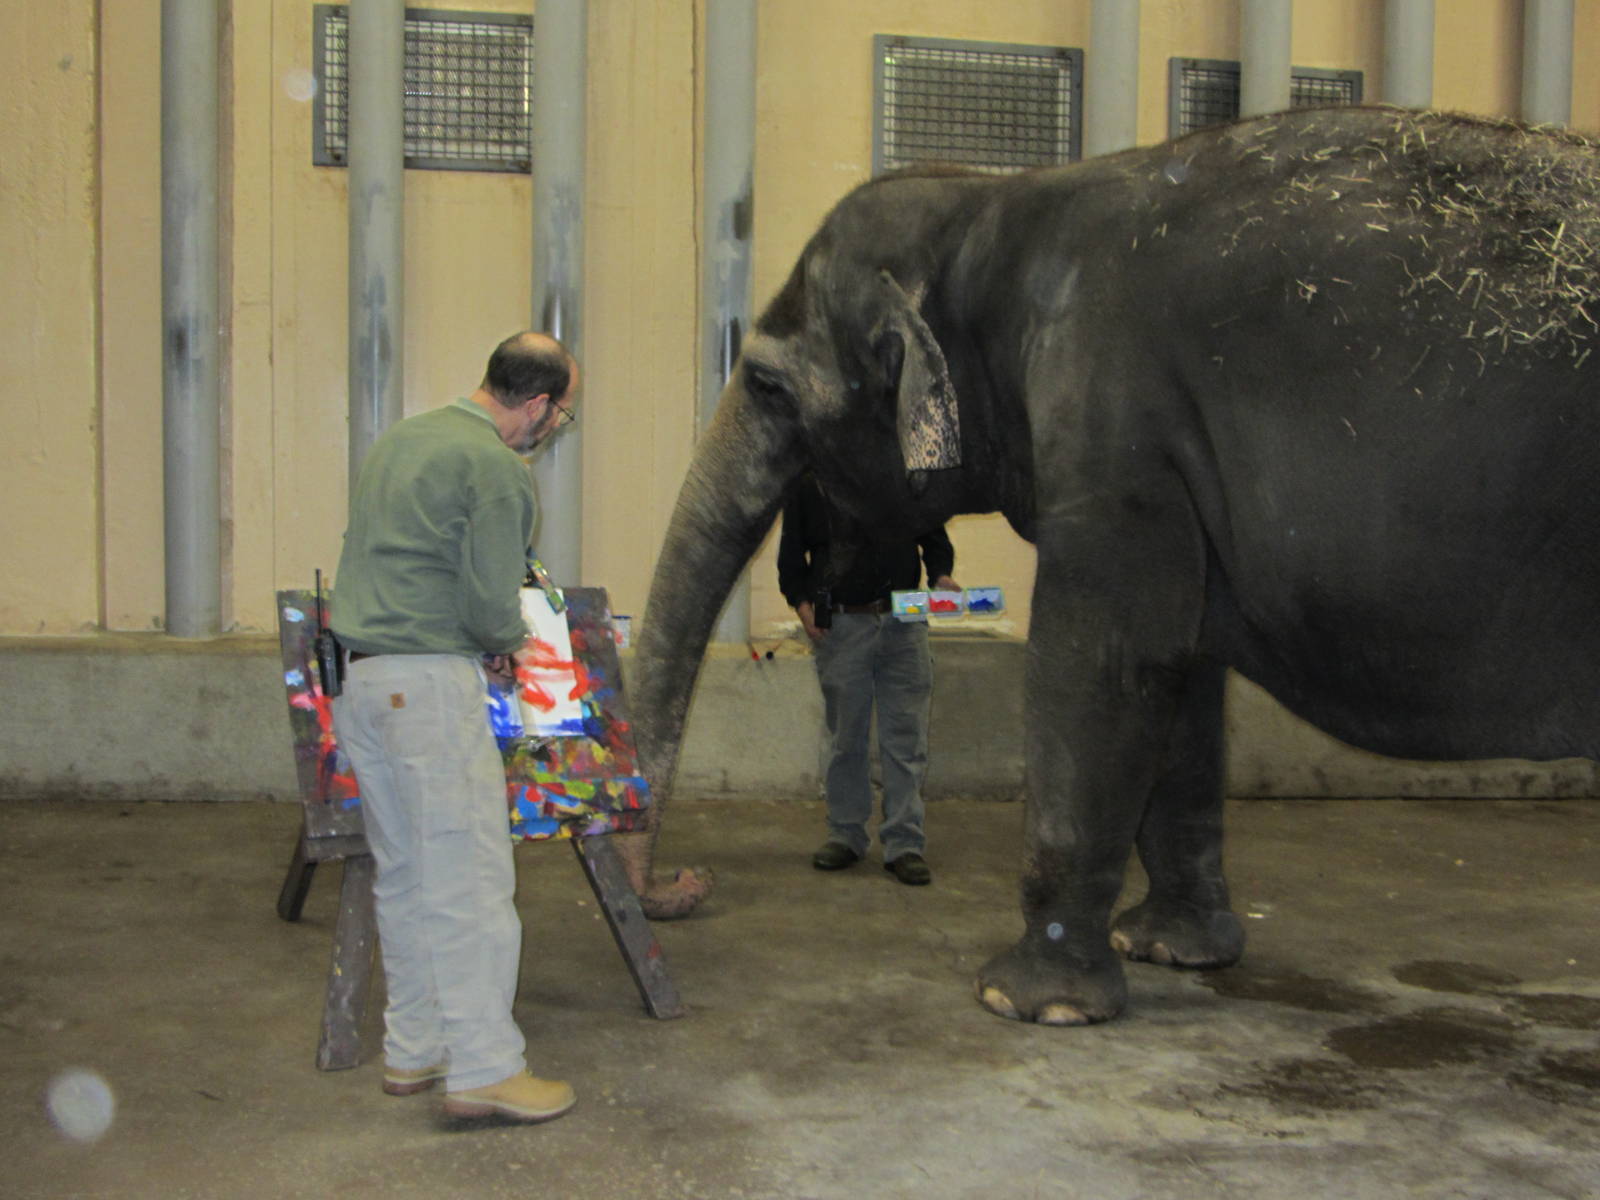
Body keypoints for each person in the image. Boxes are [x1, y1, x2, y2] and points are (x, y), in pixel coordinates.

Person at [330, 331, 579, 1125]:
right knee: (470, 884)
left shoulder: (403, 440)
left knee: (406, 877)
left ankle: (415, 1049)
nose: (553, 428)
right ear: (536, 405)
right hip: (431, 690)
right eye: (560, 415)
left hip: (364, 685)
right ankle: (484, 1068)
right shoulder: (497, 470)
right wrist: (506, 642)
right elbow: (487, 601)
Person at [777, 473, 956, 886]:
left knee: (906, 739)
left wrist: (941, 576)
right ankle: (846, 835)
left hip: (905, 621)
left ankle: (904, 844)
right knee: (846, 738)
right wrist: (802, 605)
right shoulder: (809, 481)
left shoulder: (906, 476)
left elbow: (935, 540)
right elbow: (791, 559)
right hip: (841, 626)